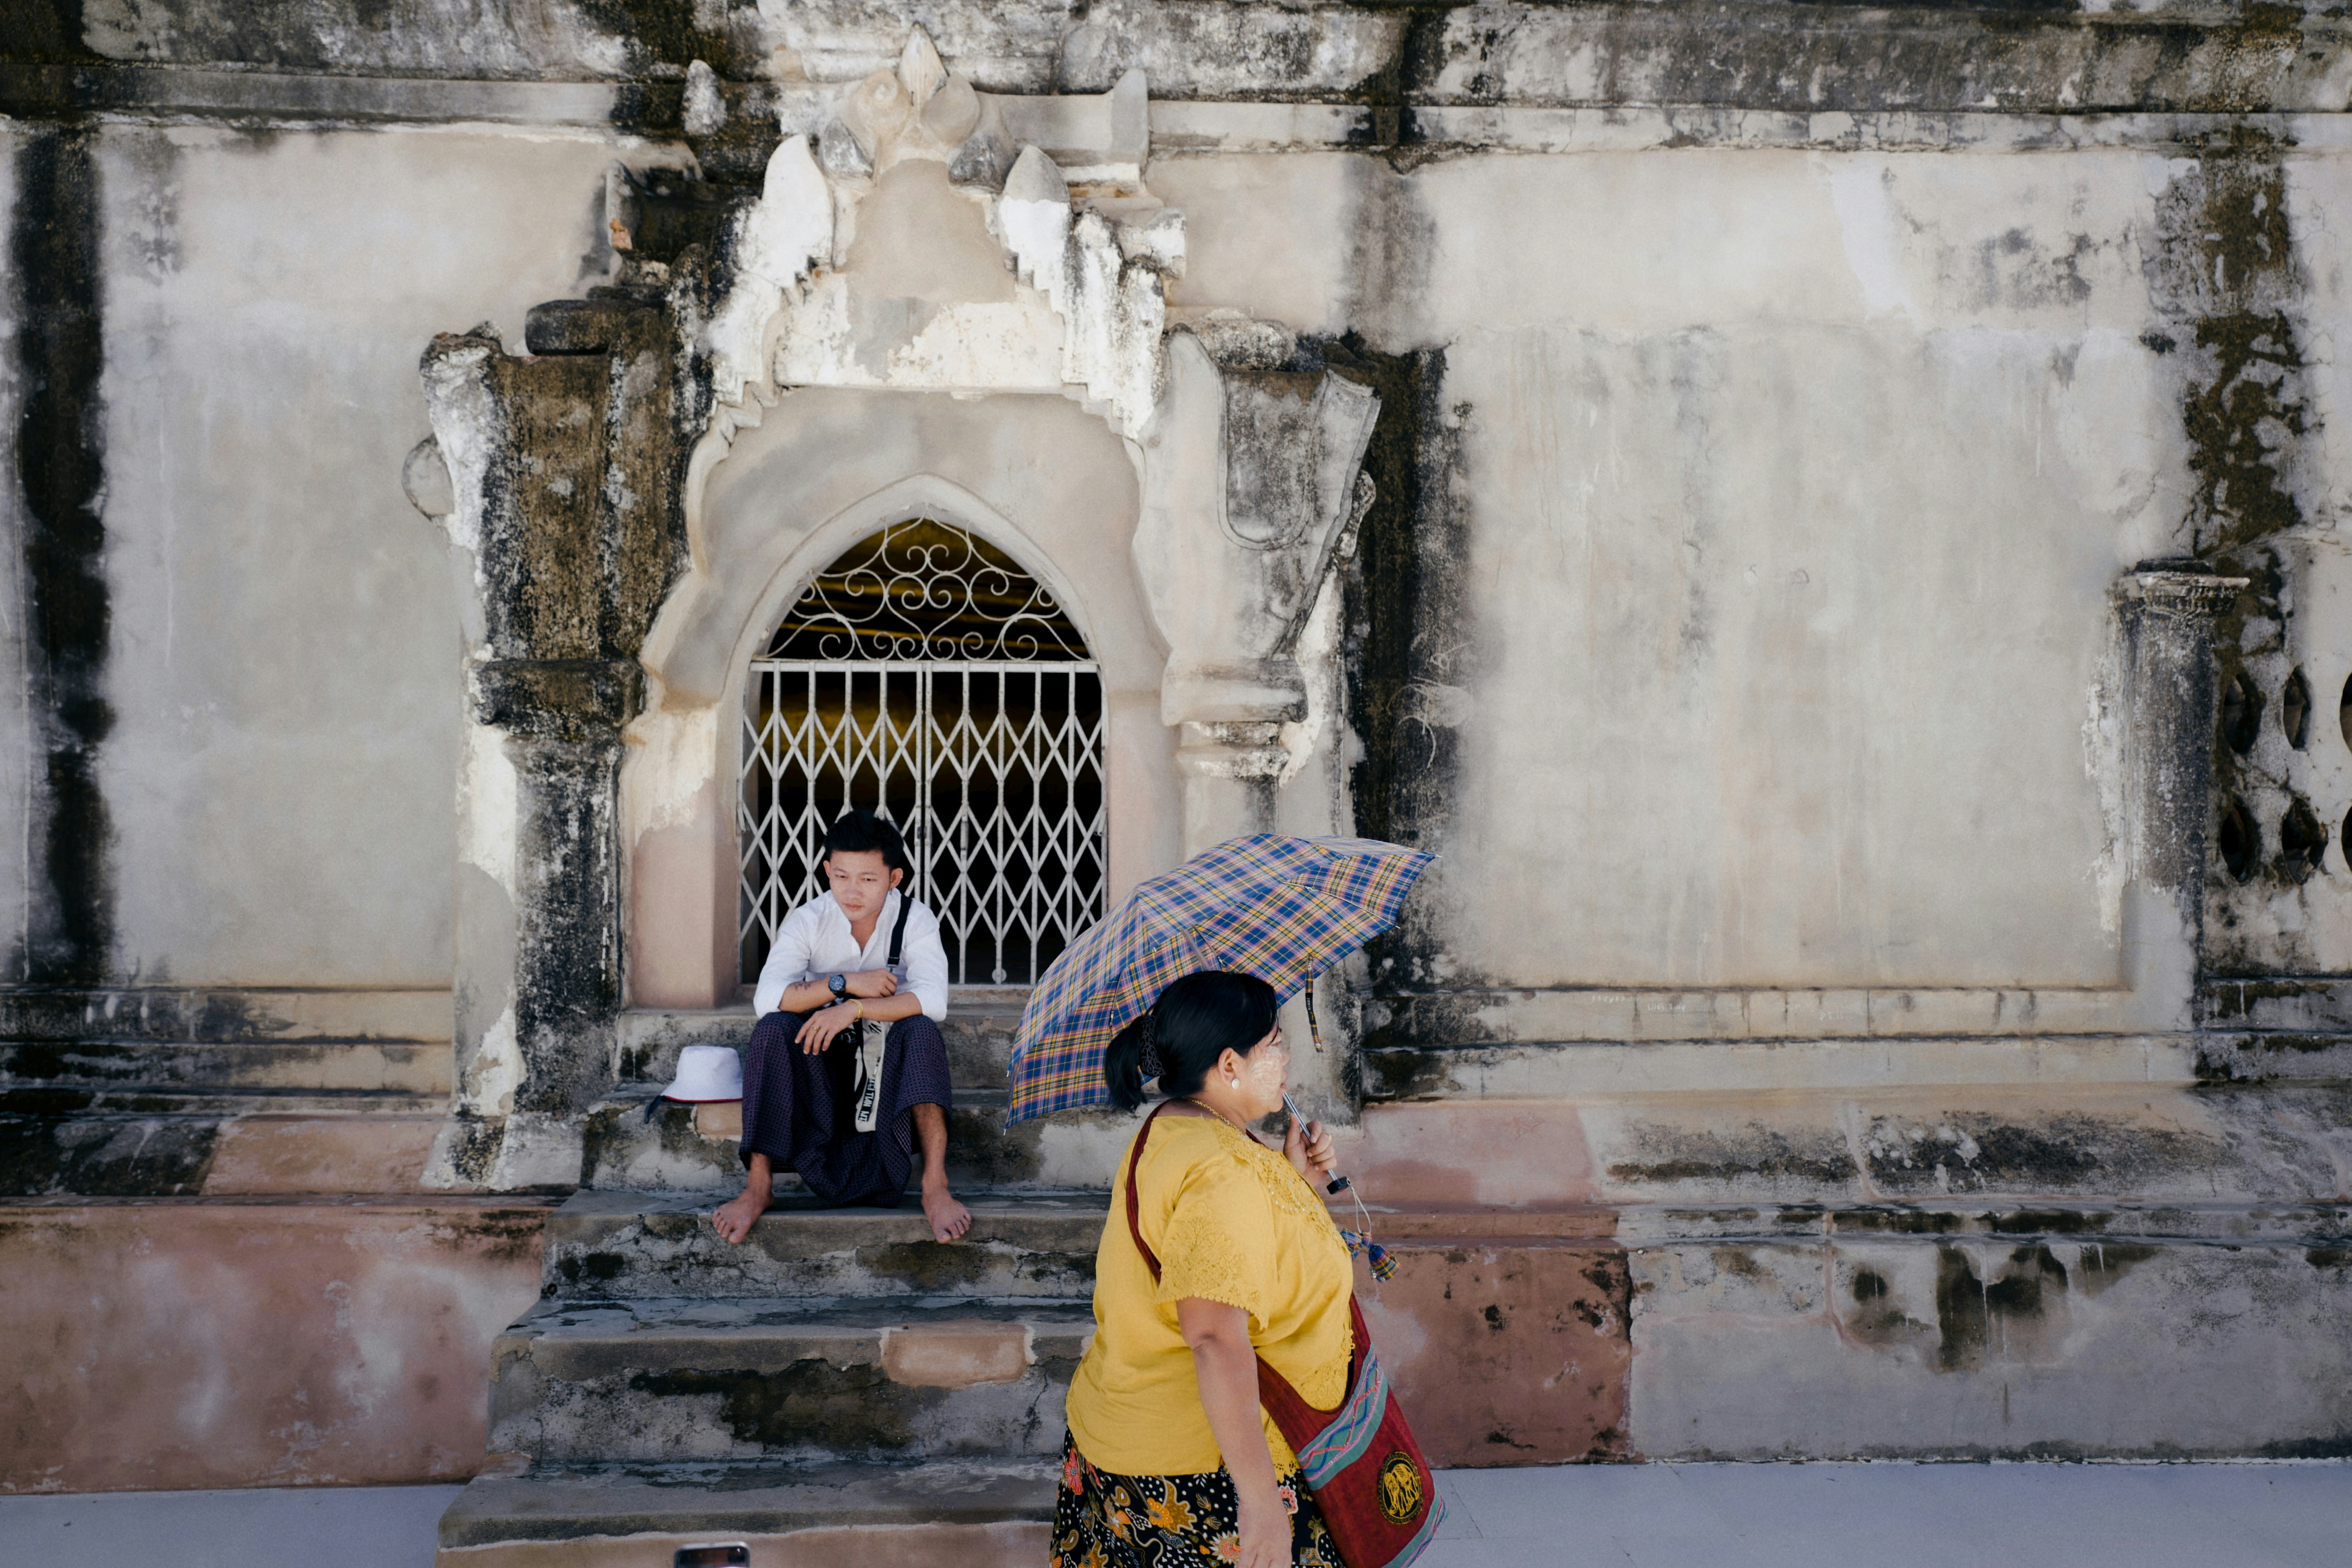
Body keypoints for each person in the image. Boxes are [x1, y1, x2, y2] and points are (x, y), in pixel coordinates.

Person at [1052, 971, 1349, 1568]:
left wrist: (1296, 1180)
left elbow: (1245, 1256)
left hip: (1136, 1434)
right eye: (1274, 1043)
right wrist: (1261, 1502)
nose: (1287, 1057)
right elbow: (1214, 1336)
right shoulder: (1220, 1171)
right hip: (1202, 1473)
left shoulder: (1176, 1127)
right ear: (1230, 1064)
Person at [711, 811, 972, 1245]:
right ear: (828, 870)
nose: (852, 891)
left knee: (923, 1032)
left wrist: (852, 1009)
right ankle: (759, 1185)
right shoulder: (809, 919)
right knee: (773, 1030)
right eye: (843, 875)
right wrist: (844, 983)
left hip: (886, 1069)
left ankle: (935, 1184)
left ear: (895, 878)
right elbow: (767, 999)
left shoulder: (916, 919)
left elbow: (933, 1001)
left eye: (869, 879)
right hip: (822, 1068)